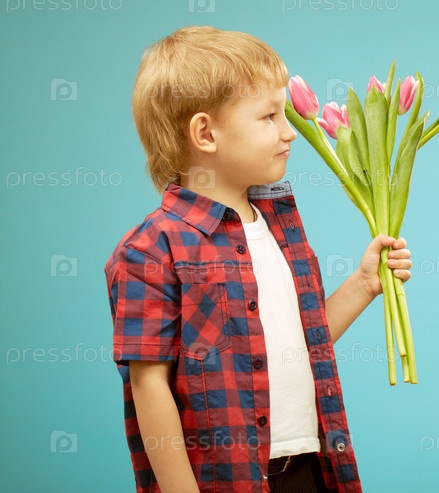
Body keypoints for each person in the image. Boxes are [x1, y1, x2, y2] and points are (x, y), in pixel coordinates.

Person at [104, 26, 412, 492]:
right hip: (224, 482)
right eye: (269, 116)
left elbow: (298, 343)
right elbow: (150, 389)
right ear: (205, 133)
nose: (289, 131)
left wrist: (363, 284)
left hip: (308, 468)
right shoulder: (150, 250)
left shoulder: (281, 230)